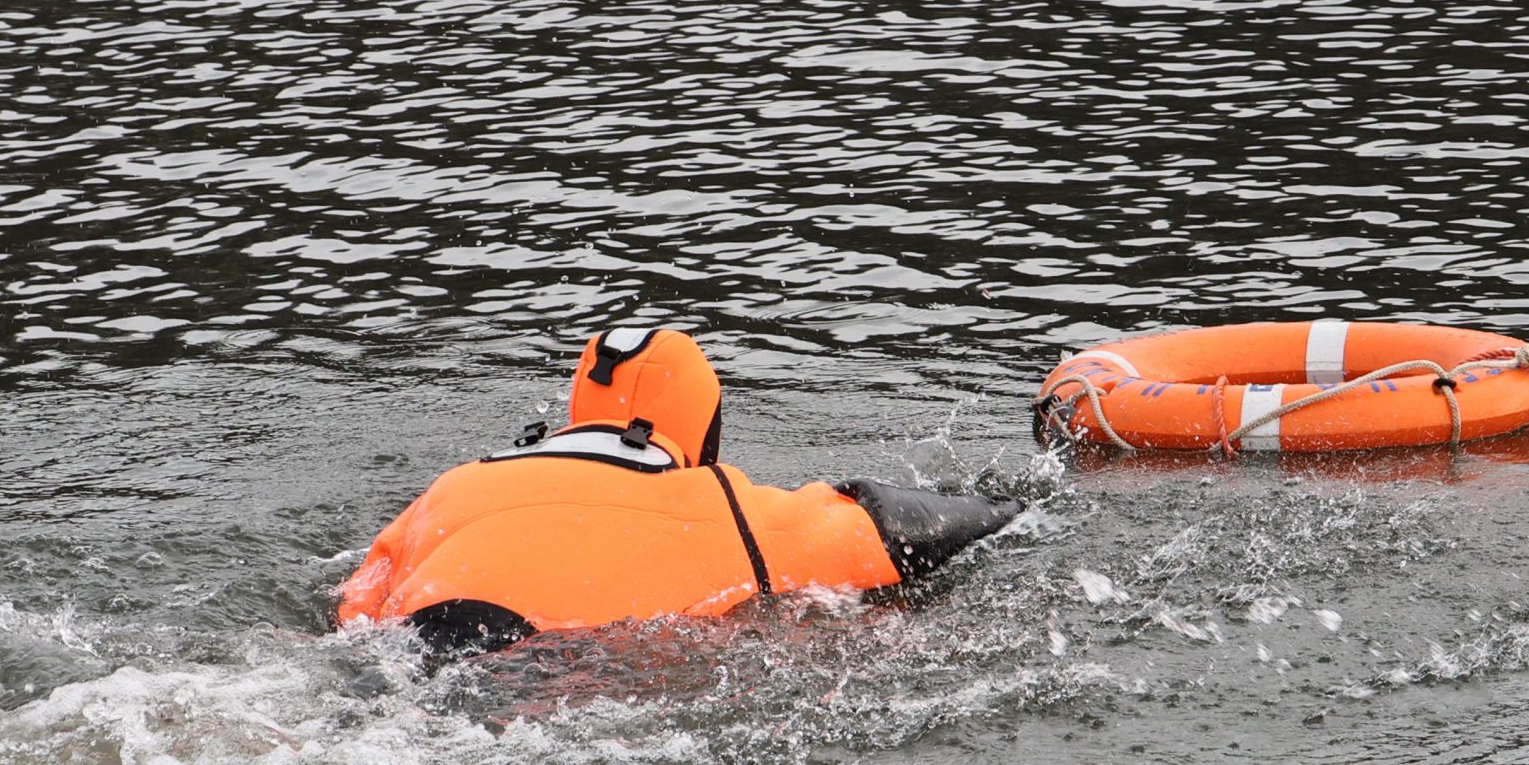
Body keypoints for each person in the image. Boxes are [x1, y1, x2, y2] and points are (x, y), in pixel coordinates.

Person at [336, 327, 1020, 654]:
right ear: (703, 427)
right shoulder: (727, 508)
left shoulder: (456, 485)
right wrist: (1018, 504)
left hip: (396, 660)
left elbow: (359, 606)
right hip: (549, 678)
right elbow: (892, 531)